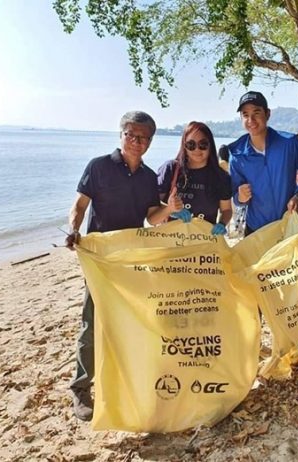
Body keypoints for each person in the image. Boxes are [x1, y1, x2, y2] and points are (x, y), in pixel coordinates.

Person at [65, 111, 185, 421]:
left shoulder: (148, 177)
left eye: (143, 137)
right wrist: (74, 229)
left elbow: (152, 217)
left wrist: (169, 209)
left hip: (132, 261)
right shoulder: (98, 167)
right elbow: (79, 206)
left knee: (133, 320)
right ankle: (81, 388)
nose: (136, 141)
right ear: (121, 134)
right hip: (101, 261)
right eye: (131, 134)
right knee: (92, 322)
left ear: (150, 142)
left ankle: (128, 380)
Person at [228, 91, 298, 234]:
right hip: (255, 230)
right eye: (245, 115)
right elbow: (235, 196)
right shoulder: (237, 154)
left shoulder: (290, 143)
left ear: (268, 114)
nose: (251, 120)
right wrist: (240, 197)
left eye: (256, 113)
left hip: (288, 225)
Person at [158, 122, 232, 234]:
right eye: (191, 145)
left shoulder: (221, 177)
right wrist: (170, 210)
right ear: (184, 146)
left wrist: (222, 223)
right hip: (169, 239)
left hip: (202, 240)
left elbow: (226, 210)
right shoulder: (171, 169)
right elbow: (153, 204)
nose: (197, 149)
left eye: (203, 144)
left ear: (210, 145)